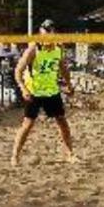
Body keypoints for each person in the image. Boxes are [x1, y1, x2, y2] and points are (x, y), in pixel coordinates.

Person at [11, 20, 76, 167]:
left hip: (51, 91)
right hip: (34, 91)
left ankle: (69, 154)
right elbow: (18, 71)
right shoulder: (33, 49)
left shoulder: (58, 48)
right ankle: (15, 155)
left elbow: (63, 68)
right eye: (45, 32)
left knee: (62, 122)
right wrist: (23, 89)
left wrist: (69, 84)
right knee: (27, 124)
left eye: (51, 32)